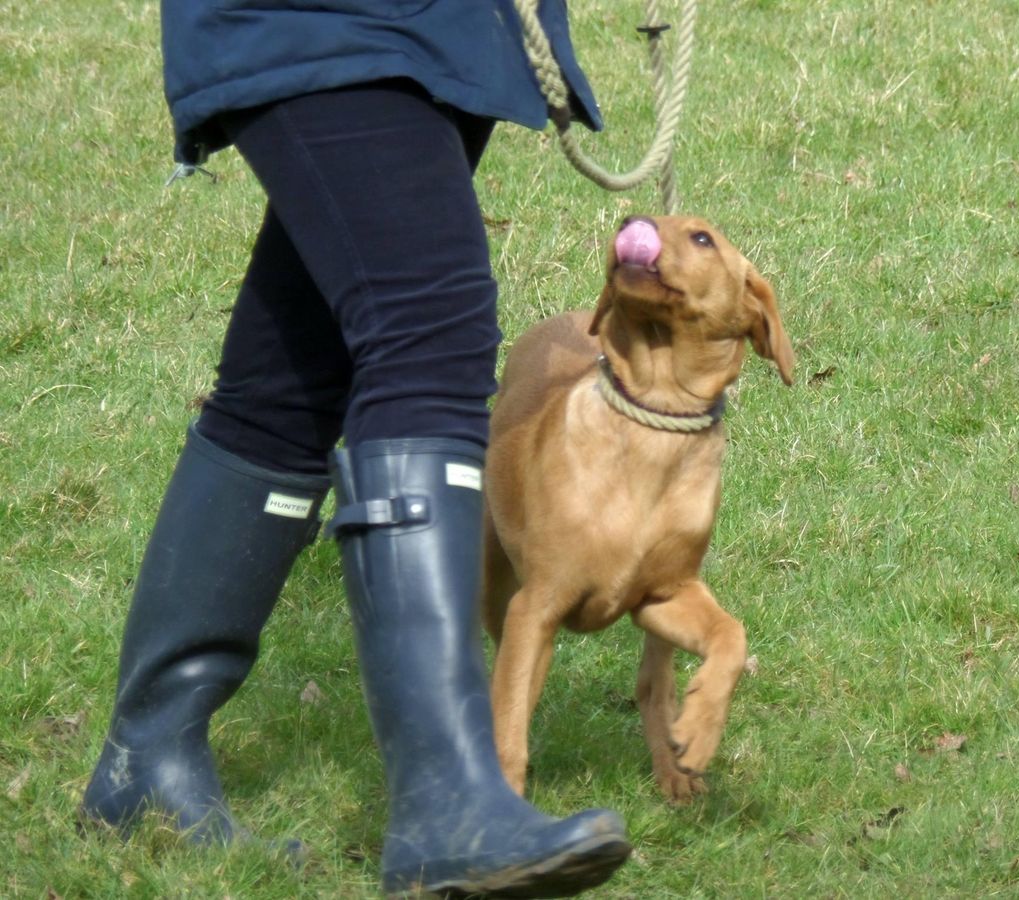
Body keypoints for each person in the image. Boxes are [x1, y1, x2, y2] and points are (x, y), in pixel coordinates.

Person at [79, 1, 633, 896]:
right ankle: (445, 802)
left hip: (417, 26)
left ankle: (145, 764)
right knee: (424, 333)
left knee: (292, 377)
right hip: (332, 20)